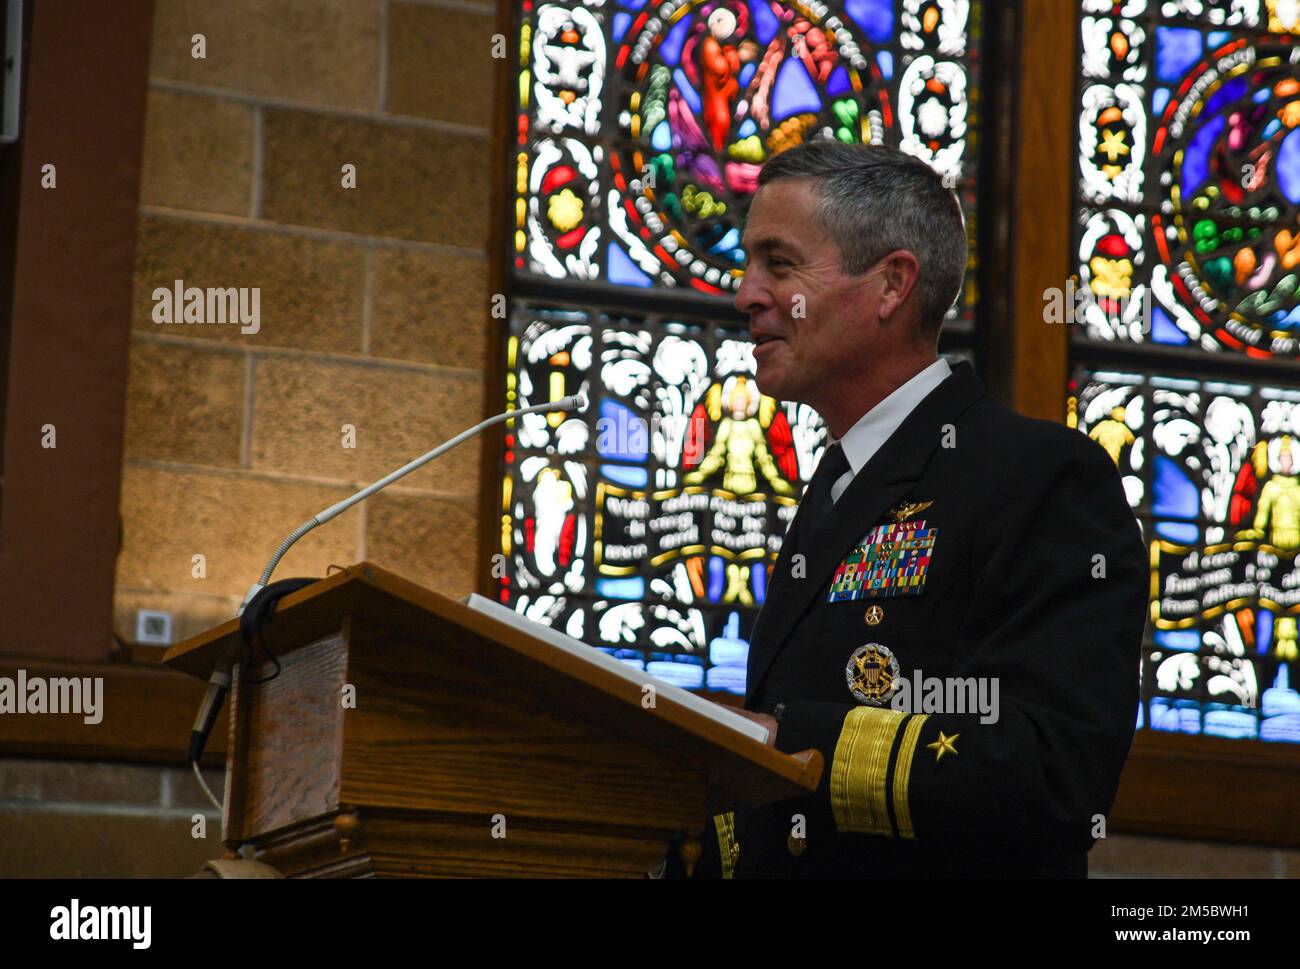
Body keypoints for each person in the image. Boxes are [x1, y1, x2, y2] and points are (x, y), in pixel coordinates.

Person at [689, 141, 1149, 878]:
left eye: (778, 264)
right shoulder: (840, 483)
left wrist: (787, 739)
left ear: (891, 285)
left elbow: (1054, 773)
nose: (745, 293)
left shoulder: (1039, 475)